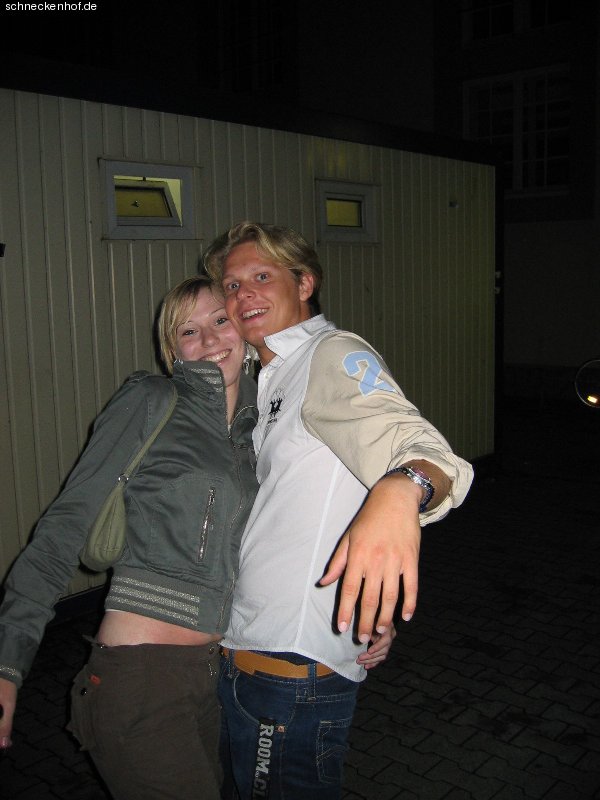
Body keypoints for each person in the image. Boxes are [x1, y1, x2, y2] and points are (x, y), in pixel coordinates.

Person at [204, 221, 475, 799]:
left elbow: (425, 451)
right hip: (247, 652)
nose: (243, 294)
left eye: (262, 277)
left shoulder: (330, 354)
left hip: (288, 671)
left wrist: (403, 488)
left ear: (304, 283)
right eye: (231, 285)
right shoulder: (268, 376)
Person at [0, 276, 259, 800]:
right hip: (140, 679)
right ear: (171, 351)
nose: (210, 339)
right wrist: (7, 664)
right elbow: (63, 526)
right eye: (189, 330)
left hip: (216, 676)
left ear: (245, 329)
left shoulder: (257, 431)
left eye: (220, 320)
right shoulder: (152, 399)